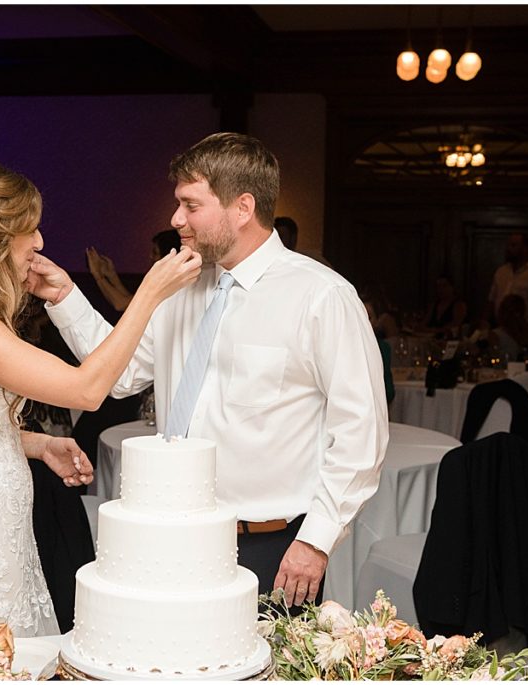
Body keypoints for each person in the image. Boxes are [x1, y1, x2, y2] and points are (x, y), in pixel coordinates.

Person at [30, 133, 388, 608]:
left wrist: (315, 540)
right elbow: (120, 374)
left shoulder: (321, 296)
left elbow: (361, 433)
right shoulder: (178, 284)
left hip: (268, 546)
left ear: (242, 207)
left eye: (190, 204)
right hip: (168, 532)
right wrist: (64, 297)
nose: (175, 219)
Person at [0, 159, 201, 638]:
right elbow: (87, 390)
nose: (39, 242)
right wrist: (148, 294)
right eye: (29, 229)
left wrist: (36, 444)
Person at [86, 229, 181, 312]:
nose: (151, 256)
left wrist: (97, 275)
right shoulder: (168, 281)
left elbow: (121, 304)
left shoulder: (171, 284)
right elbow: (131, 301)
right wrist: (112, 275)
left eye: (155, 252)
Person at [482, 233, 528, 341]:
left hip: (524, 328)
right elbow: (491, 299)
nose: (508, 249)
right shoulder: (501, 271)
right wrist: (484, 324)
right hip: (500, 327)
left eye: (514, 245)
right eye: (508, 245)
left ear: (526, 248)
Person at [423, 274, 468, 339]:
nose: (440, 289)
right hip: (432, 339)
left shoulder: (459, 305)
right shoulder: (434, 305)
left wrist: (432, 330)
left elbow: (455, 326)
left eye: (444, 286)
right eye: (438, 286)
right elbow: (424, 322)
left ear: (452, 287)